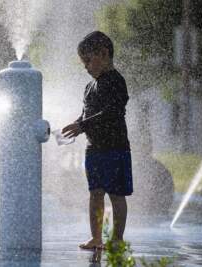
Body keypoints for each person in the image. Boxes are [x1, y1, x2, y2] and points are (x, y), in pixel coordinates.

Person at [62, 31, 133, 250]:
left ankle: (117, 239)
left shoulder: (116, 81)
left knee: (116, 194)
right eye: (83, 62)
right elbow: (86, 115)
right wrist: (76, 125)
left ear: (103, 54)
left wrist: (82, 125)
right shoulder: (89, 86)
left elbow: (111, 112)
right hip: (94, 149)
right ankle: (96, 238)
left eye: (88, 60)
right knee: (95, 194)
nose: (86, 66)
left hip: (116, 148)